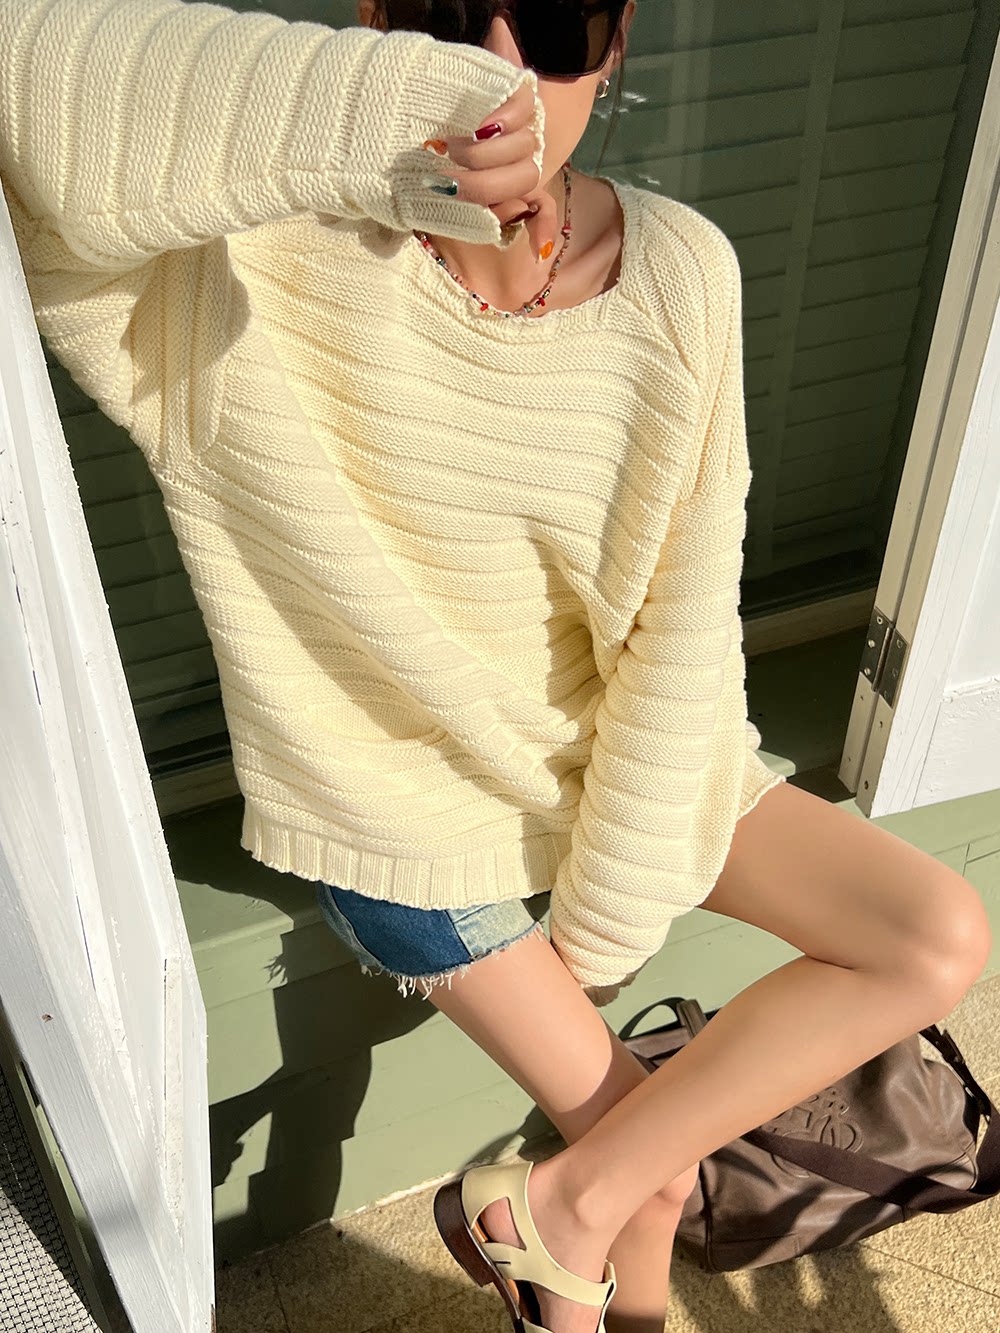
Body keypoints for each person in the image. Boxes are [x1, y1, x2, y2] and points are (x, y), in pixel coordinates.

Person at [0, 2, 991, 1331]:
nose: (500, 67)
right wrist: (384, 108)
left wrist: (603, 927)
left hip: (611, 758)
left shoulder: (679, 271)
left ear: (619, 42)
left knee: (933, 935)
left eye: (557, 19)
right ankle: (564, 1235)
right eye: (449, 15)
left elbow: (683, 628)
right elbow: (24, 83)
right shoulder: (241, 264)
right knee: (643, 1169)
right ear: (377, 21)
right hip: (401, 814)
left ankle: (554, 1215)